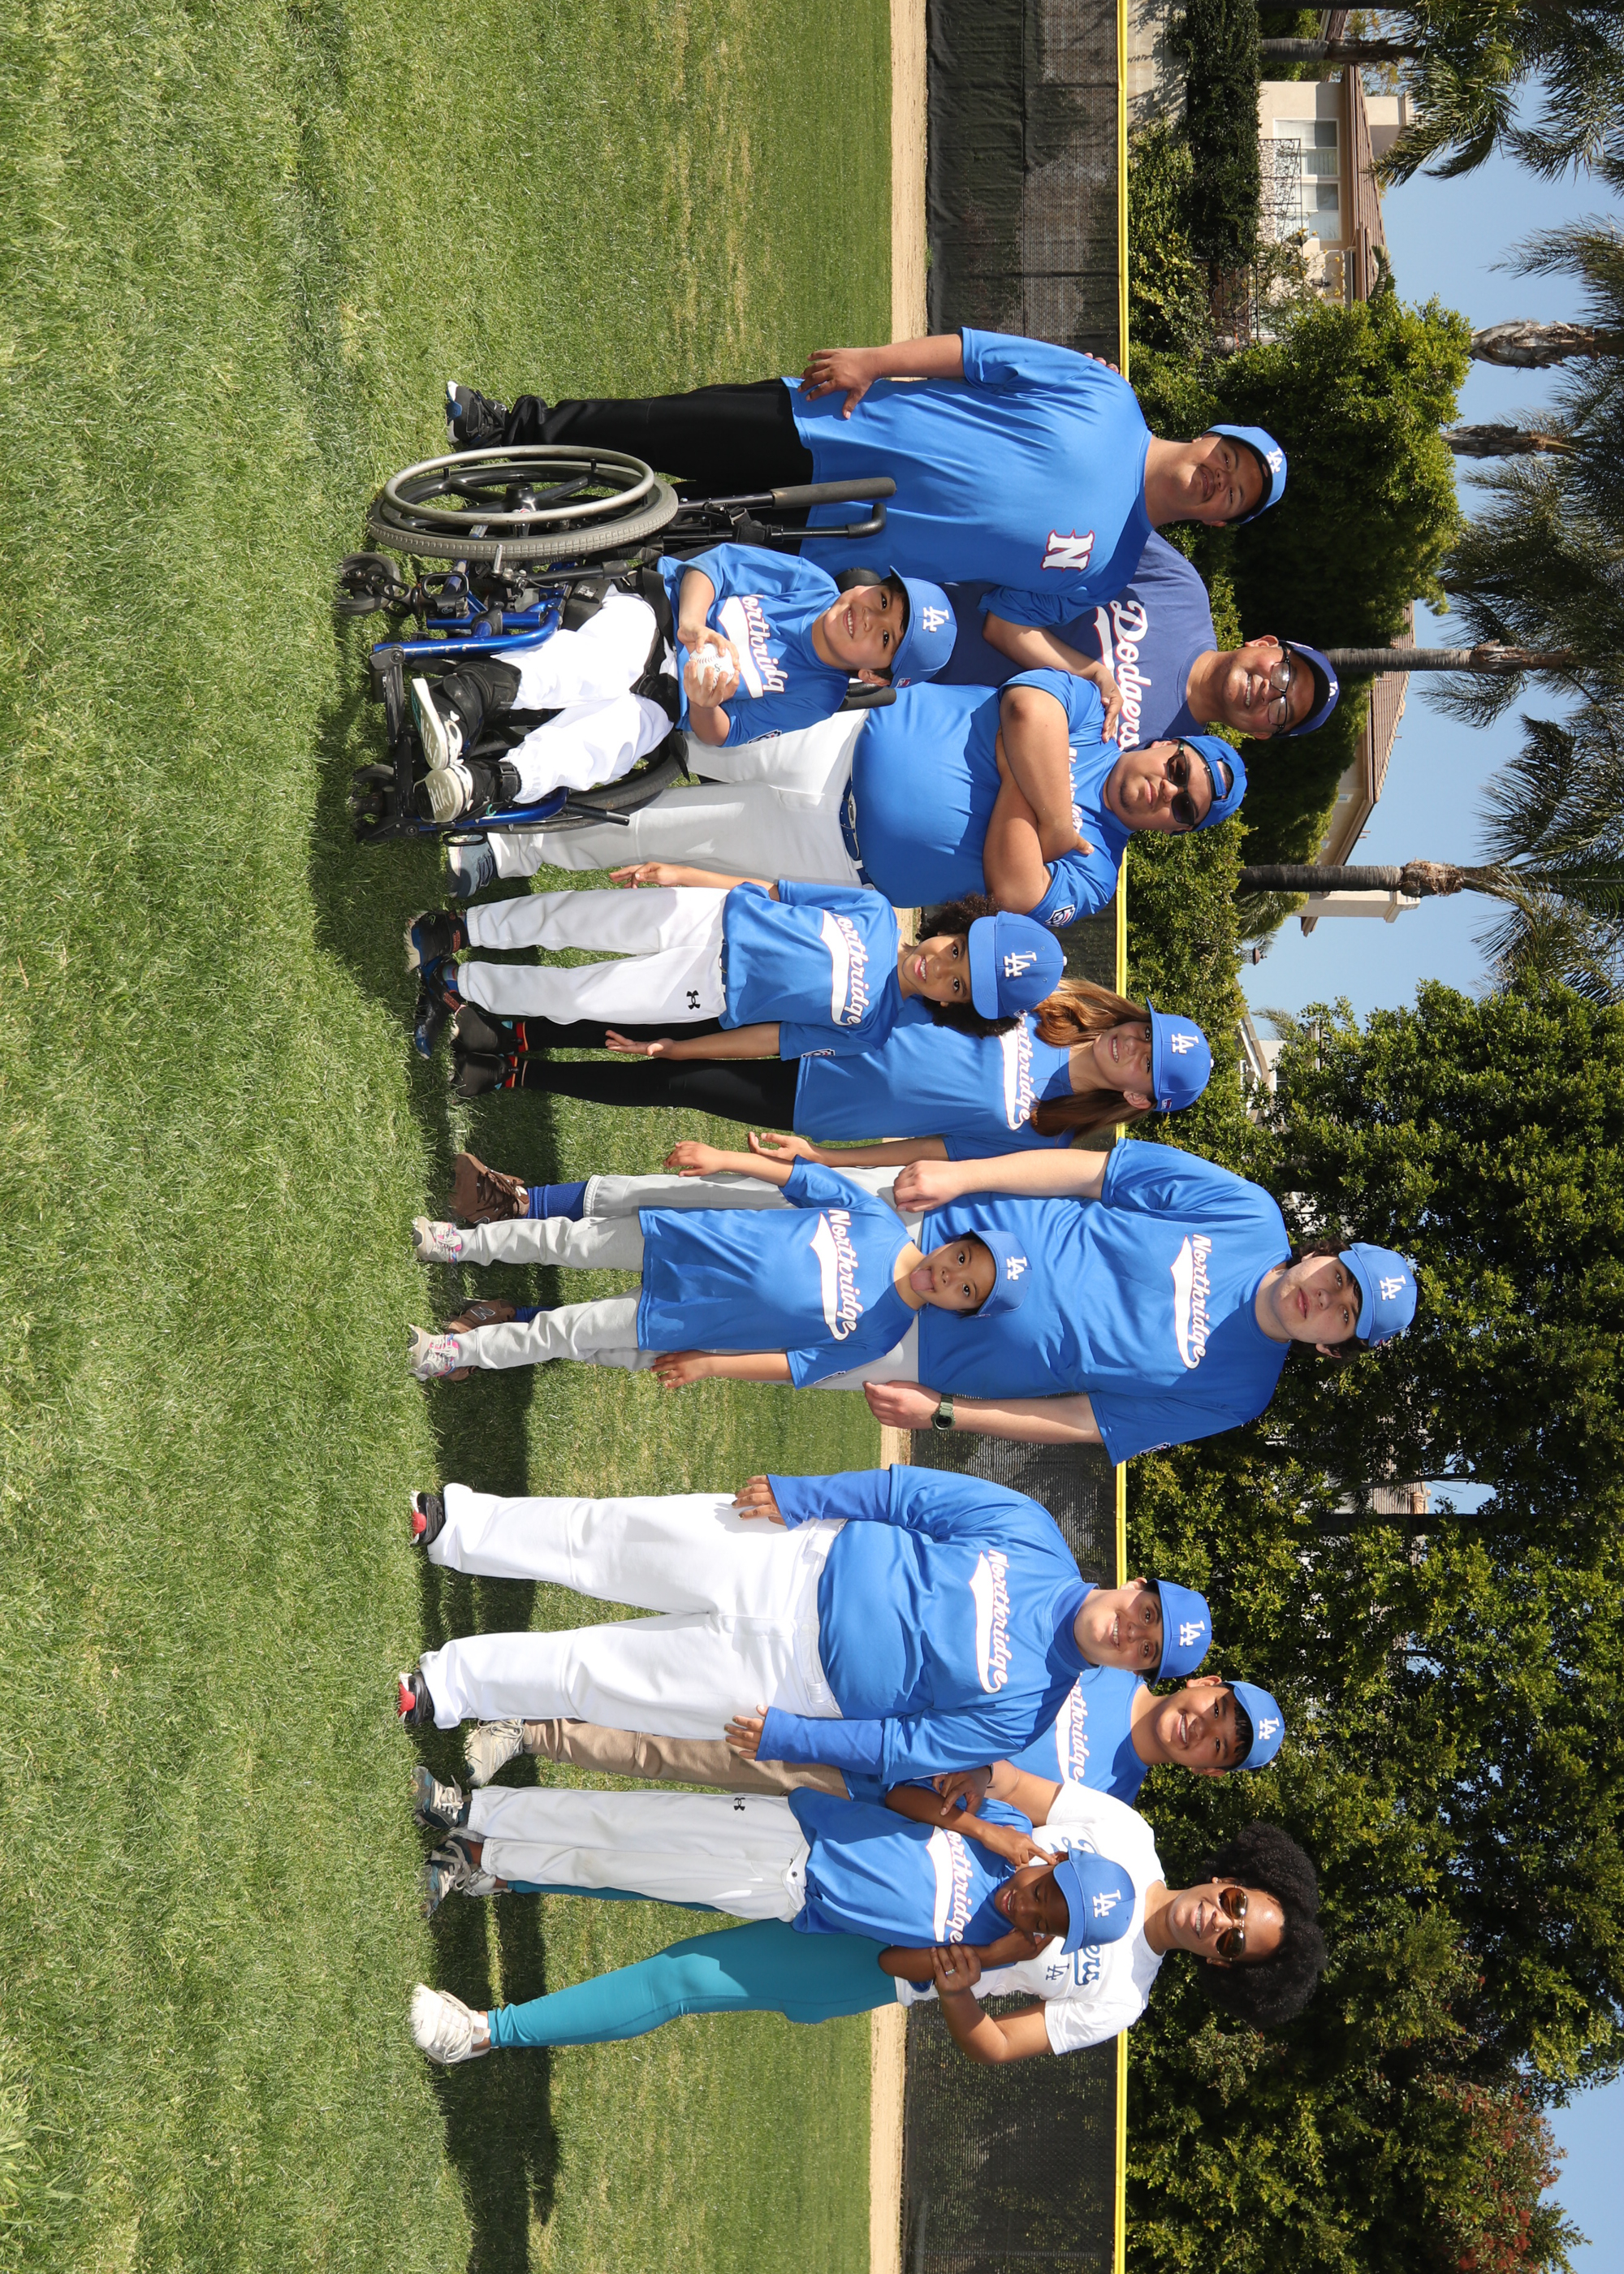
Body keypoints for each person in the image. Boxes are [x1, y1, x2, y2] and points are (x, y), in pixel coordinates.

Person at [393, 1467, 1216, 1788]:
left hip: (793, 1684)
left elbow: (903, 1749)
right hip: (793, 1555)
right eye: (1146, 1613)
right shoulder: (1033, 1534)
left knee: (597, 1676)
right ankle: (458, 1526)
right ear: (1137, 1585)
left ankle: (445, 1687)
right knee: (606, 1537)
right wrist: (803, 1494)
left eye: (1146, 1650)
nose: (1131, 1632)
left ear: (1138, 1671)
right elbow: (907, 1497)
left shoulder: (1029, 1711)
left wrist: (791, 1735)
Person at [406, 1783, 1325, 2066]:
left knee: (684, 1976)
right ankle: (493, 1861)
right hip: (883, 1858)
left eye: (1233, 1942)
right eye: (1237, 1905)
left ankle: (484, 2033)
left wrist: (959, 1987)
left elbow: (994, 2044)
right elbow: (1003, 1779)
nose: (1220, 1922)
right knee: (676, 1873)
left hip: (882, 1965)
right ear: (1229, 1878)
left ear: (1223, 1966)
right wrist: (965, 1808)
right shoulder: (1126, 1833)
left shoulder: (1122, 1999)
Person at [443, 332, 1286, 600]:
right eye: (1231, 460)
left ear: (1221, 520)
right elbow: (977, 355)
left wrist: (1085, 673)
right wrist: (872, 362)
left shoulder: (1106, 572)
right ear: (1212, 435)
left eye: (1237, 495)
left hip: (831, 538)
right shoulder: (1107, 396)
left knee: (659, 543)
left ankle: (510, 553)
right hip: (838, 425)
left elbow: (994, 615)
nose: (1222, 479)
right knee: (660, 429)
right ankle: (505, 430)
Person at [450, 671, 1244, 928]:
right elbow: (1026, 709)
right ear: (1163, 743)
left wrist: (1022, 779)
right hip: (836, 738)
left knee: (651, 832)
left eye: (1183, 807)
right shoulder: (1090, 709)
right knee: (672, 722)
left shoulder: (1096, 872)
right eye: (1179, 769)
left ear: (1174, 830)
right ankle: (507, 716)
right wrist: (1051, 819)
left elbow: (1012, 890)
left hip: (834, 856)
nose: (1166, 791)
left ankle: (503, 848)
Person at [407, 544, 955, 829]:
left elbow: (724, 733)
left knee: (612, 742)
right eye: (883, 602)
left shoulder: (820, 697)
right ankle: (466, 699)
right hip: (658, 615)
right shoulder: (809, 585)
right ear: (869, 587)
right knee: (604, 666)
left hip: (672, 701)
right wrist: (693, 626)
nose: (868, 619)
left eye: (885, 638)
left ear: (873, 675)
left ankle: (489, 781)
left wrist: (705, 701)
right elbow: (712, 569)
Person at [404, 1143, 1036, 1390]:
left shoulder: (882, 1333)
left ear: (960, 1312)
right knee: (566, 1240)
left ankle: (450, 1353)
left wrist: (708, 1363)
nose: (950, 1276)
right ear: (954, 1240)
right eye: (962, 1258)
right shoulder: (879, 1220)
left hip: (685, 1318)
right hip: (686, 1239)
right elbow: (801, 1180)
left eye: (966, 1290)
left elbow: (793, 1365)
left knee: (565, 1331)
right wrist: (725, 1158)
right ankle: (458, 1244)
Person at [448, 968, 1214, 1148]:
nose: (1132, 1044)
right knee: (672, 1021)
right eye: (1145, 1031)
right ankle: (515, 1027)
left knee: (673, 1079)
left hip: (821, 1104)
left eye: (1147, 1063)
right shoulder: (1047, 999)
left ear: (1140, 1100)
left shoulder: (1050, 1132)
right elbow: (943, 976)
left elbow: (934, 1151)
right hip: (832, 1026)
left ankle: (514, 1073)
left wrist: (823, 1158)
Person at [402, 875, 1060, 1063]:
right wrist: (683, 874)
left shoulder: (873, 1028)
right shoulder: (876, 910)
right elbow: (774, 890)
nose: (940, 967)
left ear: (951, 1006)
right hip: (711, 916)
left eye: (957, 986)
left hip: (703, 994)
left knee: (578, 998)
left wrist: (679, 1048)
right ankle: (461, 929)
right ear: (955, 926)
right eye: (956, 950)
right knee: (580, 918)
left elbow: (772, 1040)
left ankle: (457, 985)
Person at [451, 1662, 1284, 1805]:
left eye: (1222, 1746)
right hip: (855, 1686)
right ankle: (516, 1687)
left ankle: (529, 1733)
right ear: (1205, 1683)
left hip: (861, 1777)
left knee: (681, 1756)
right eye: (1219, 1712)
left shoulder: (1108, 1803)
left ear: (1209, 1771)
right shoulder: (1107, 1655)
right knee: (681, 1684)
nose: (1204, 1730)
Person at [935, 534, 1340, 749]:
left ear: (1261, 734)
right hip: (931, 601)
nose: (1271, 692)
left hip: (936, 727)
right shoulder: (1181, 590)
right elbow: (1085, 526)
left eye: (1282, 711)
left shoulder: (1170, 767)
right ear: (1263, 643)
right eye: (1285, 673)